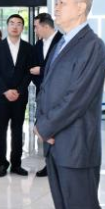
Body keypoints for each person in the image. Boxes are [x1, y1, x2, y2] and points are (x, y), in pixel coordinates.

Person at [35, 0, 105, 209]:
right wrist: (42, 124)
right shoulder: (63, 41)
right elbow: (48, 88)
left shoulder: (92, 46)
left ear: (81, 7)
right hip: (56, 143)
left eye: (62, 2)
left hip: (76, 145)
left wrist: (46, 126)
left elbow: (77, 97)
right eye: (57, 1)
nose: (57, 7)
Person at [0, 14, 34, 177]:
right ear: (7, 26)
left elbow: (28, 72)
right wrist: (5, 91)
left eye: (19, 24)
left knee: (17, 130)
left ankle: (16, 164)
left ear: (22, 27)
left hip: (19, 96)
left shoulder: (28, 48)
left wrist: (19, 90)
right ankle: (2, 163)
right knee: (1, 130)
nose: (15, 26)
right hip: (1, 96)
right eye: (12, 23)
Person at [30, 13, 63, 177]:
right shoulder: (38, 45)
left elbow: (63, 68)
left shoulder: (63, 42)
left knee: (58, 130)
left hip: (59, 94)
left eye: (36, 27)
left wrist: (41, 70)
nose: (35, 30)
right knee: (45, 128)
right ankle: (49, 164)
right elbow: (32, 68)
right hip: (42, 93)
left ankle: (61, 165)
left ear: (45, 26)